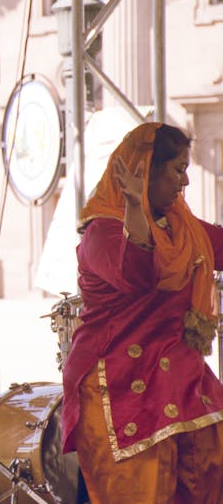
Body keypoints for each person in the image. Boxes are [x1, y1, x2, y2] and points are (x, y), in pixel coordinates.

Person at [61, 122, 223, 502]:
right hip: (119, 385)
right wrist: (134, 209)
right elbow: (136, 275)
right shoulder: (100, 232)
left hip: (179, 378)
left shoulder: (181, 227)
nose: (184, 183)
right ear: (147, 172)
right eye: (177, 170)